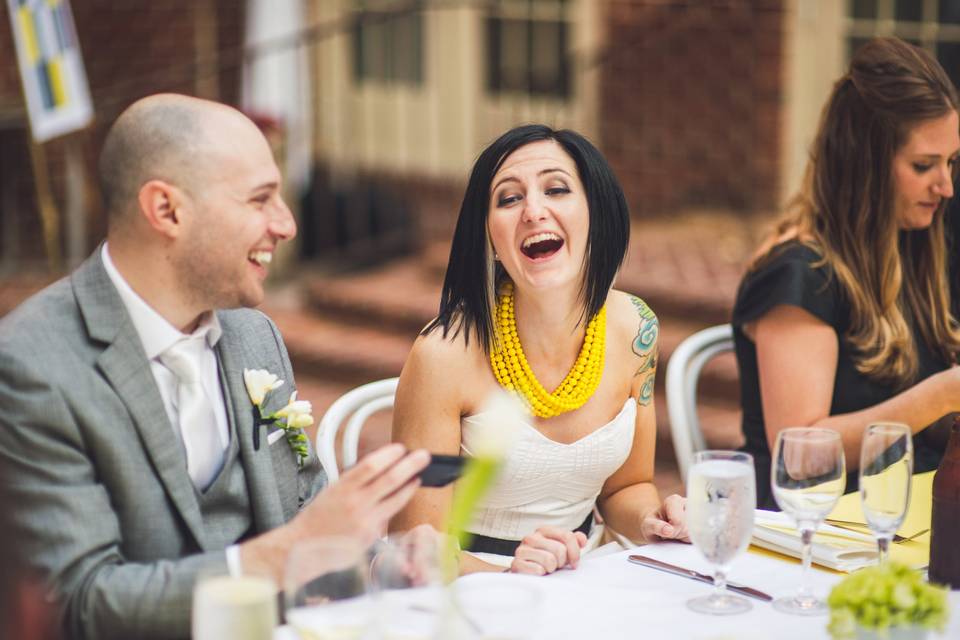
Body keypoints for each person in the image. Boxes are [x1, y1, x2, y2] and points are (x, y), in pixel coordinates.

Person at [0, 94, 430, 640]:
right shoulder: (32, 366)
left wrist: (383, 562)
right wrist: (286, 553)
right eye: (261, 199)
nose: (288, 224)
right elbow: (81, 603)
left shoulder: (255, 336)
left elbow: (308, 506)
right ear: (167, 210)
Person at [390, 124, 688, 576]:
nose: (533, 210)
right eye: (509, 199)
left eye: (556, 189)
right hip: (475, 586)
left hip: (592, 576)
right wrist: (509, 577)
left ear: (595, 213)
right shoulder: (443, 355)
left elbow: (628, 486)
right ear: (489, 238)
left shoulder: (636, 328)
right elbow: (413, 544)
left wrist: (652, 521)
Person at [732, 37, 960, 510]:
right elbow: (799, 454)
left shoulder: (913, 244)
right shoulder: (797, 275)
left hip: (904, 512)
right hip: (809, 531)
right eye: (924, 166)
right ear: (866, 165)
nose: (946, 186)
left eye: (951, 163)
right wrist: (942, 395)